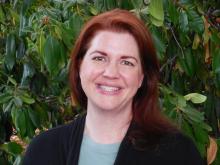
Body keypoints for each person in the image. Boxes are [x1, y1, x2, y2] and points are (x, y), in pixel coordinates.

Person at [23, 9, 205, 165]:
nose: (111, 73)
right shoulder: (43, 151)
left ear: (141, 77)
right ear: (79, 67)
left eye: (126, 62)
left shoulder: (178, 154)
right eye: (99, 58)